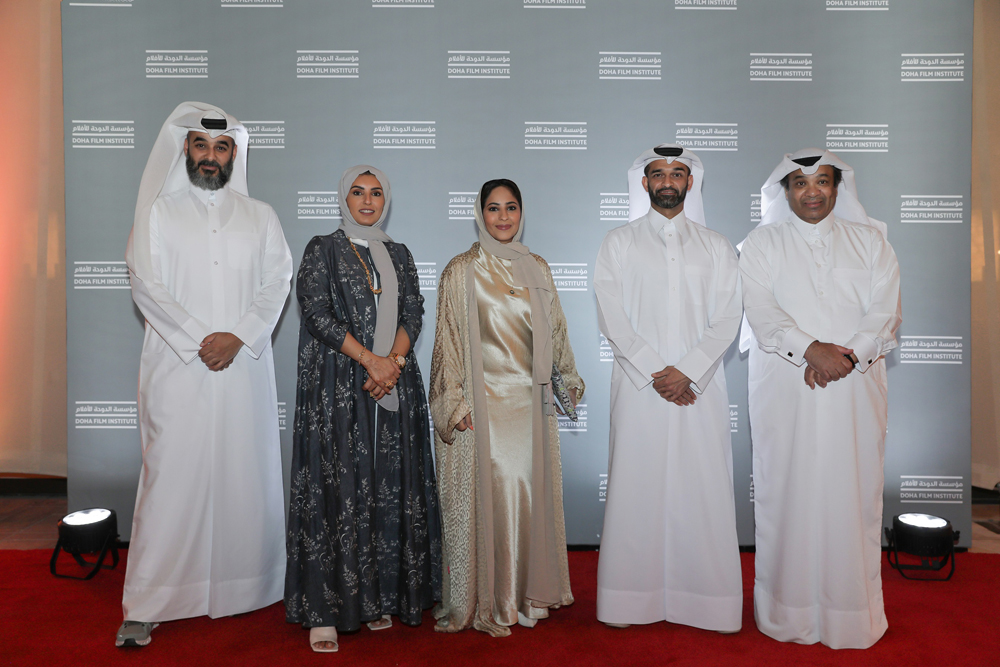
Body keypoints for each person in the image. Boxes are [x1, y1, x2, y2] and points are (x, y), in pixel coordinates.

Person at [118, 102, 293, 647]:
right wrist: (201, 338)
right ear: (185, 150)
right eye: (201, 146)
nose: (211, 157)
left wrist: (238, 336)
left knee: (244, 474)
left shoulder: (260, 214)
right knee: (171, 478)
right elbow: (146, 284)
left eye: (221, 148)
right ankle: (148, 602)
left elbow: (277, 281)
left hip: (242, 368)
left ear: (233, 154)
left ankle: (249, 586)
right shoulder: (159, 213)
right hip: (178, 369)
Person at [739, 148, 901, 649]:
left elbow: (886, 314)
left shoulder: (873, 243)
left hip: (853, 390)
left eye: (823, 182)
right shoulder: (760, 245)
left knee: (850, 494)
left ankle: (850, 615)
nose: (812, 192)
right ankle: (788, 614)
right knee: (787, 493)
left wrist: (844, 359)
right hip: (787, 391)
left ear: (838, 187)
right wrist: (810, 350)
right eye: (801, 183)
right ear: (785, 191)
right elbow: (760, 311)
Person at [284, 165, 442, 653]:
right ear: (343, 199)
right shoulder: (322, 248)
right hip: (338, 385)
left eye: (376, 193)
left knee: (389, 485)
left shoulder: (399, 253)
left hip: (394, 384)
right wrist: (370, 361)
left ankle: (377, 598)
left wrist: (392, 363)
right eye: (358, 192)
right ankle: (326, 610)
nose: (368, 201)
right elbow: (315, 311)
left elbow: (414, 309)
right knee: (339, 485)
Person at [593, 145, 744, 632]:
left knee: (702, 490)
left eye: (677, 173)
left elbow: (728, 318)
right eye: (658, 173)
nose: (668, 181)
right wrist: (660, 372)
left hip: (700, 389)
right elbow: (612, 318)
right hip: (640, 390)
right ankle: (627, 601)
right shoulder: (617, 242)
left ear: (690, 182)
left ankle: (707, 604)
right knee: (637, 489)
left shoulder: (717, 246)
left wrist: (691, 370)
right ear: (644, 183)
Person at [429, 179, 584, 636]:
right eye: (493, 208)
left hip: (529, 403)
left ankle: (526, 597)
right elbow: (447, 342)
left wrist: (568, 381)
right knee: (496, 495)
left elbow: (555, 330)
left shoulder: (537, 266)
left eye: (510, 207)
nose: (502, 217)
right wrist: (453, 403)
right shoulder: (462, 269)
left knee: (528, 495)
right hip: (482, 404)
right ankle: (492, 599)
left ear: (521, 213)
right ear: (480, 213)